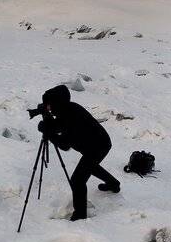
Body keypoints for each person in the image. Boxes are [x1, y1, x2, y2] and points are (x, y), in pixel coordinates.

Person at [37, 85, 120, 220]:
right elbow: (57, 125)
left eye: (50, 105)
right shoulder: (67, 109)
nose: (49, 108)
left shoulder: (71, 117)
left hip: (99, 146)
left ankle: (80, 215)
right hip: (92, 145)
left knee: (77, 180)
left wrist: (48, 132)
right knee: (89, 167)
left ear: (57, 104)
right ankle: (114, 184)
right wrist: (47, 118)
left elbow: (64, 145)